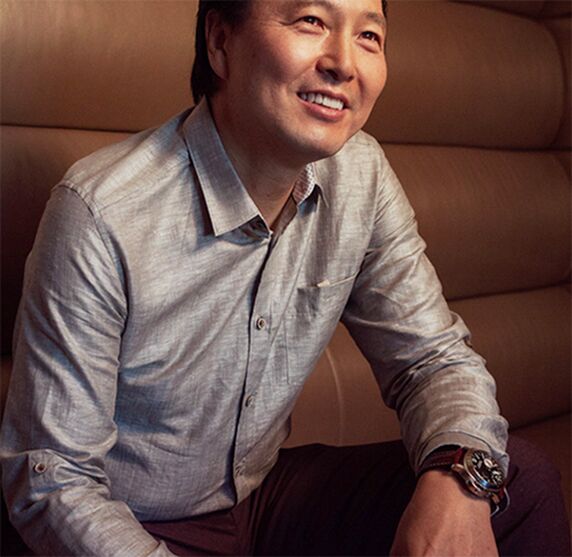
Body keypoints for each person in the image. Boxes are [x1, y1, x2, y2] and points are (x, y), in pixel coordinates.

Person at [1, 1, 570, 555]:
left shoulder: (361, 173)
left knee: (517, 484)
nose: (344, 63)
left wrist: (459, 477)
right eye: (311, 21)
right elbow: (55, 478)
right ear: (220, 41)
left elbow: (432, 360)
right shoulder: (101, 211)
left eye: (369, 36)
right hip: (131, 522)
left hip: (263, 501)